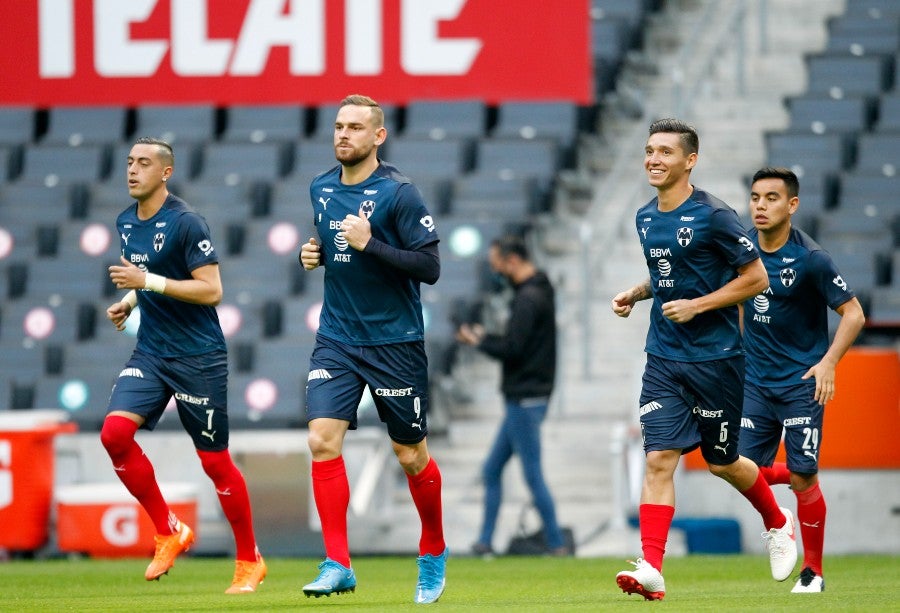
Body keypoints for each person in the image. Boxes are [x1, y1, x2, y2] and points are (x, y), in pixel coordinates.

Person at [610, 119, 797, 601]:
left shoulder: (716, 215)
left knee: (722, 462)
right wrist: (639, 291)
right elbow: (671, 274)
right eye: (650, 150)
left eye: (666, 152)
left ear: (689, 160)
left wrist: (700, 306)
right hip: (664, 357)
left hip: (717, 360)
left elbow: (756, 279)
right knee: (658, 459)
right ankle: (652, 565)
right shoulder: (645, 216)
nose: (654, 158)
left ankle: (778, 522)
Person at [298, 94, 448, 604]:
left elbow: (429, 268)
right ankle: (337, 562)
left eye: (355, 128)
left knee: (410, 455)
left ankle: (432, 547)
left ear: (377, 136)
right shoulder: (320, 187)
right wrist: (314, 252)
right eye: (338, 126)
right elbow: (335, 247)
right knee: (321, 439)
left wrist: (371, 245)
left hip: (395, 343)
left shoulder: (400, 193)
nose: (343, 135)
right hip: (337, 338)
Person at [103, 137, 266, 593]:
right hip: (152, 352)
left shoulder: (187, 221)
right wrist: (131, 300)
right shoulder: (125, 222)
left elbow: (211, 290)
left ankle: (249, 559)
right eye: (130, 162)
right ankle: (168, 529)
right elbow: (152, 273)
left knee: (214, 463)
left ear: (166, 173)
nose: (133, 170)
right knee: (114, 435)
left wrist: (145, 281)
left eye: (144, 163)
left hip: (199, 357)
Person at [738, 167, 865, 593]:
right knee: (737, 467)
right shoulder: (740, 251)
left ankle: (813, 572)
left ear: (791, 205)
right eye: (756, 197)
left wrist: (828, 363)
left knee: (804, 477)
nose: (760, 205)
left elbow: (854, 313)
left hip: (800, 383)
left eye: (771, 198)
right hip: (754, 381)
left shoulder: (811, 258)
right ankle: (782, 518)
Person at [456, 235, 568, 557]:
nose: (497, 272)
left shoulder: (528, 299)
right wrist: (486, 337)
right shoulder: (538, 291)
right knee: (492, 470)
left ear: (513, 260)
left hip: (525, 398)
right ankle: (485, 540)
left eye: (498, 266)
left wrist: (479, 341)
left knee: (532, 474)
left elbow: (513, 349)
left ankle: (557, 543)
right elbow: (518, 342)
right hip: (528, 396)